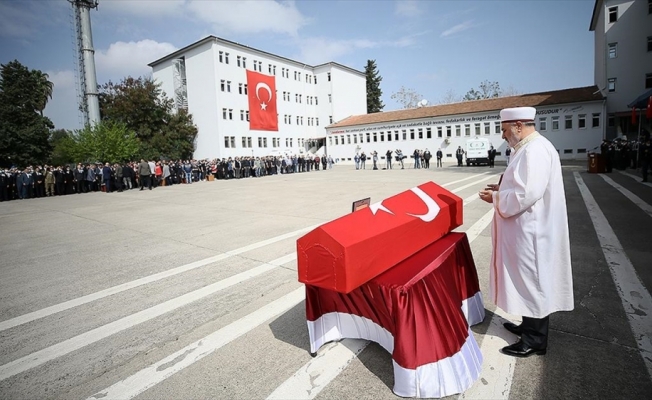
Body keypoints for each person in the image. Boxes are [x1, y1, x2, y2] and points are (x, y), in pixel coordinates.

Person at [479, 106, 573, 358]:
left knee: (533, 281)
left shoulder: (535, 151)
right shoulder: (527, 149)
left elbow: (526, 194)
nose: (502, 136)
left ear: (519, 126)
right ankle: (528, 326)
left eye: (505, 129)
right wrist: (501, 186)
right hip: (528, 229)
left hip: (533, 231)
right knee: (526, 279)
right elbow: (523, 184)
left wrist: (496, 197)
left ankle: (535, 340)